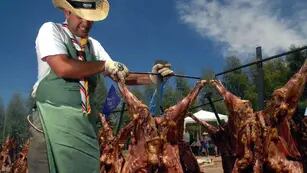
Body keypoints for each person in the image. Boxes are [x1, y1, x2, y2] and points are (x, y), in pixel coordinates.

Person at [27, 0, 173, 173]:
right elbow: (62, 67)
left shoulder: (93, 45)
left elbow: (119, 74)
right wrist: (104, 65)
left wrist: (152, 78)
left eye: (91, 19)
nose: (87, 23)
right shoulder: (51, 30)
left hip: (84, 126)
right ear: (67, 12)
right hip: (51, 120)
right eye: (81, 17)